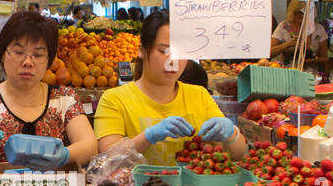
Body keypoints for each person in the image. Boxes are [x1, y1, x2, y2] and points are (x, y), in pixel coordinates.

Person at [94, 12, 246, 166]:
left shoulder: (199, 95)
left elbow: (239, 154)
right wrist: (148, 137)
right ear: (141, 50)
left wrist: (231, 134)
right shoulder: (114, 100)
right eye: (164, 51)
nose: (172, 61)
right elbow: (108, 159)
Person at [0, 11, 97, 170]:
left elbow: (90, 147)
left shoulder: (64, 98)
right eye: (19, 52)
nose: (28, 62)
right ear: (3, 55)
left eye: (38, 54)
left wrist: (66, 155)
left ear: (49, 60)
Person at [270, 0, 328, 70]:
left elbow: (325, 59)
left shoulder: (319, 29)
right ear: (291, 12)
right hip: (287, 71)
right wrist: (286, 45)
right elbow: (270, 52)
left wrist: (315, 60)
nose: (300, 15)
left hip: (311, 72)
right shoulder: (284, 26)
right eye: (297, 12)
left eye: (304, 12)